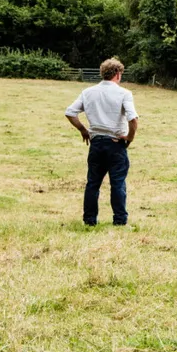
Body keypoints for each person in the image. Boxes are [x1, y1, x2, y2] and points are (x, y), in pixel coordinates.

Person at [64, 57, 139, 226]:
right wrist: (129, 138)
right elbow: (133, 119)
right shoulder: (124, 94)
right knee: (118, 183)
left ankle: (90, 220)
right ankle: (120, 220)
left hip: (96, 143)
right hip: (115, 143)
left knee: (93, 183)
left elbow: (70, 112)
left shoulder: (88, 92)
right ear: (118, 74)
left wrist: (84, 130)